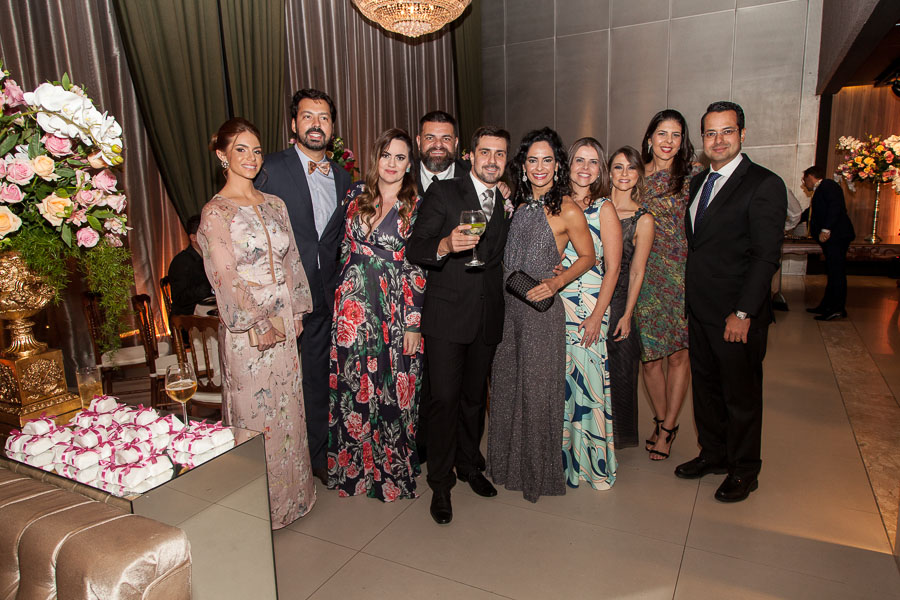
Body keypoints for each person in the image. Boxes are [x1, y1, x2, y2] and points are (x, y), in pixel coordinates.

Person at [198, 117, 315, 527]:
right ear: (222, 155)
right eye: (241, 149)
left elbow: (292, 260)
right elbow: (224, 275)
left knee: (288, 412)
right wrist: (258, 322)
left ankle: (294, 499)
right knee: (256, 415)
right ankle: (257, 511)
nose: (251, 158)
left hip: (284, 324)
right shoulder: (216, 212)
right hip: (247, 330)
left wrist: (296, 310)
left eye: (257, 150)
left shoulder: (275, 204)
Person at [675, 101, 786, 503]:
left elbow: (765, 257)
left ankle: (744, 470)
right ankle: (714, 454)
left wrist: (743, 312)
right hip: (700, 310)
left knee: (741, 396)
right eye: (710, 133)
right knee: (706, 391)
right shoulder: (698, 183)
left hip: (737, 314)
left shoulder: (764, 184)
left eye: (727, 131)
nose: (718, 140)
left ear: (742, 134)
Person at [407, 125, 511, 524]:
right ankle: (440, 482)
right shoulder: (445, 193)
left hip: (486, 316)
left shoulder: (505, 200)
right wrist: (446, 245)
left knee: (473, 399)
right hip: (447, 316)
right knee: (444, 400)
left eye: (500, 154)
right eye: (485, 152)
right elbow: (417, 247)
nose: (492, 160)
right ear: (470, 155)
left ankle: (469, 465)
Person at [488, 128, 594, 503]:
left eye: (547, 160)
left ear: (557, 165)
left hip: (539, 312)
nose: (539, 167)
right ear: (523, 165)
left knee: (535, 395)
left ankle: (535, 474)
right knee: (505, 387)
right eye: (532, 160)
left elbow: (588, 256)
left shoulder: (567, 208)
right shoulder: (515, 204)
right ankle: (504, 466)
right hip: (507, 311)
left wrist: (557, 282)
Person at [255, 89, 352, 484]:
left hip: (327, 295)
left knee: (318, 378)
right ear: (293, 124)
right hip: (281, 298)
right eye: (308, 116)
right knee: (277, 384)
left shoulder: (343, 177)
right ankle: (273, 462)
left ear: (332, 126)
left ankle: (317, 455)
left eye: (324, 117)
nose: (316, 124)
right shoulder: (269, 168)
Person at [326, 129, 426, 501]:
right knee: (353, 385)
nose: (392, 163)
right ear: (376, 158)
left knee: (392, 386)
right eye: (386, 155)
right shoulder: (355, 195)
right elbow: (338, 246)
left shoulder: (418, 204)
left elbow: (418, 267)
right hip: (351, 308)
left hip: (394, 308)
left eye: (400, 157)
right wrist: (337, 294)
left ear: (409, 164)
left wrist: (414, 322)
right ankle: (354, 471)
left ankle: (391, 472)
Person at [637, 109, 701, 461]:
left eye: (676, 135)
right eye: (662, 133)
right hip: (644, 277)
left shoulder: (694, 178)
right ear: (649, 138)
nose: (668, 141)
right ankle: (662, 419)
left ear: (683, 141)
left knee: (678, 356)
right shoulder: (633, 175)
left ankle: (668, 427)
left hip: (683, 276)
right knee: (649, 360)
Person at [559, 137, 621, 489]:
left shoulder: (604, 208)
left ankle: (592, 465)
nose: (585, 168)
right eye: (579, 160)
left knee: (588, 384)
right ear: (568, 165)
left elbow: (613, 268)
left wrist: (598, 316)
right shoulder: (557, 203)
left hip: (590, 305)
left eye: (593, 161)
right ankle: (562, 462)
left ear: (600, 169)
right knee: (563, 383)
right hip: (558, 303)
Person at [607, 147, 655, 449]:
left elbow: (638, 271)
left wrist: (627, 315)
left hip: (620, 299)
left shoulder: (643, 219)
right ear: (609, 171)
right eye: (618, 167)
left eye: (631, 168)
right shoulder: (594, 207)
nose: (624, 174)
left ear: (639, 173)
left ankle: (616, 439)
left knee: (621, 371)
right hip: (587, 297)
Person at [802, 165, 855, 321]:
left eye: (804, 180)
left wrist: (826, 229)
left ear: (810, 177)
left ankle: (837, 309)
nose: (804, 184)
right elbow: (811, 213)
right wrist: (792, 221)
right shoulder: (822, 189)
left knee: (836, 273)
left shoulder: (828, 185)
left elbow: (835, 207)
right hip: (834, 237)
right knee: (832, 273)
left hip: (837, 237)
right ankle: (827, 305)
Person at [415, 110, 470, 196]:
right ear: (419, 142)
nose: (438, 145)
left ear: (455, 143)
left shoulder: (472, 177)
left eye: (446, 139)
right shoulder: (402, 176)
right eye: (430, 138)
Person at [167, 215, 213, 316]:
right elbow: (179, 298)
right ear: (193, 238)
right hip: (188, 317)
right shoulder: (181, 261)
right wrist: (209, 286)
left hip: (205, 311)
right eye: (206, 234)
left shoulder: (210, 257)